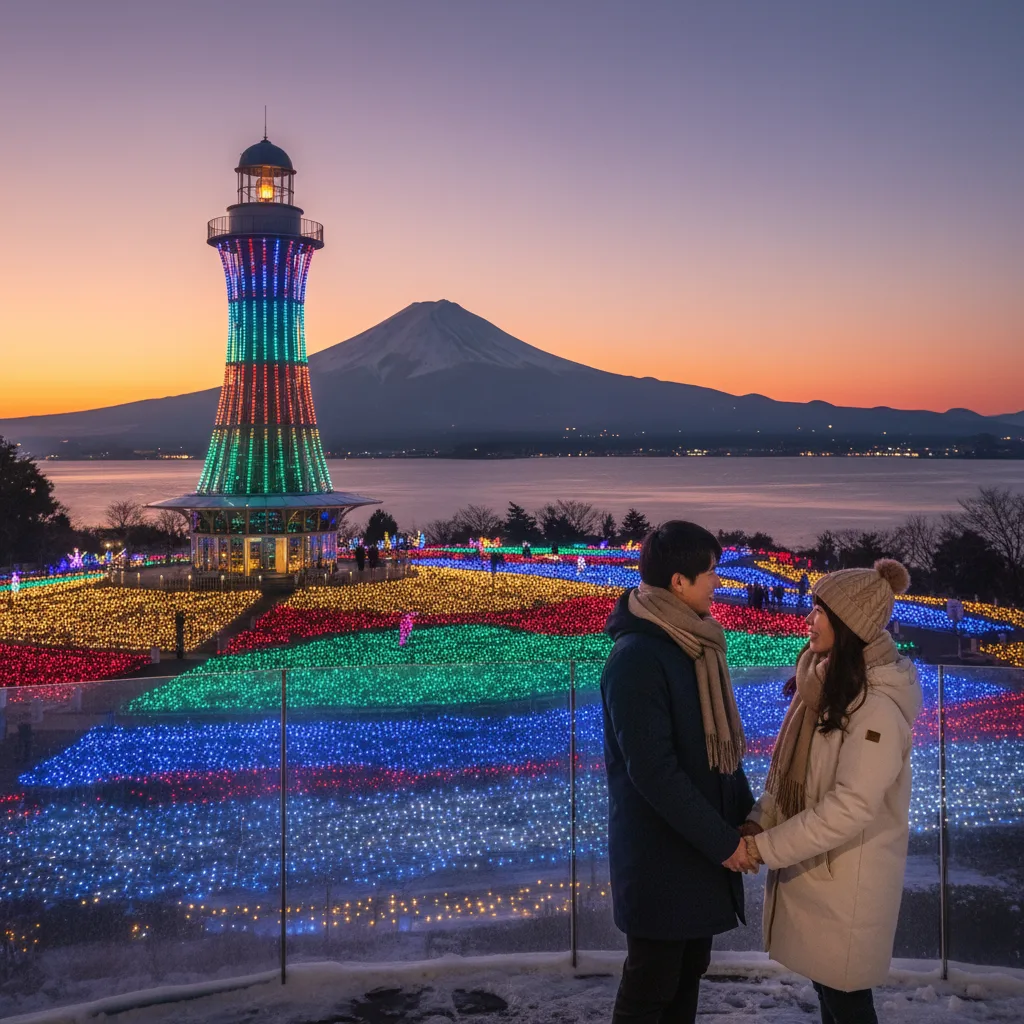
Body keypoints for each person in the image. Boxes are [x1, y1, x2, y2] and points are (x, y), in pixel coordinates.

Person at [742, 560, 922, 1024]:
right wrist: (759, 820)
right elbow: (792, 777)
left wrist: (764, 846)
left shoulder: (875, 707)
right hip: (824, 878)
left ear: (849, 624)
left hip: (848, 883)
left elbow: (850, 807)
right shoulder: (825, 687)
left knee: (846, 1002)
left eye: (820, 610)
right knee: (832, 997)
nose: (808, 619)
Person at [601, 521, 756, 1024]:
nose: (718, 581)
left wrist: (747, 817)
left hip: (696, 856)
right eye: (711, 572)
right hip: (661, 864)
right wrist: (724, 842)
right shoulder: (638, 659)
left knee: (685, 980)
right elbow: (654, 773)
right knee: (650, 992)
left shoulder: (693, 644)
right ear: (678, 583)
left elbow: (717, 755)